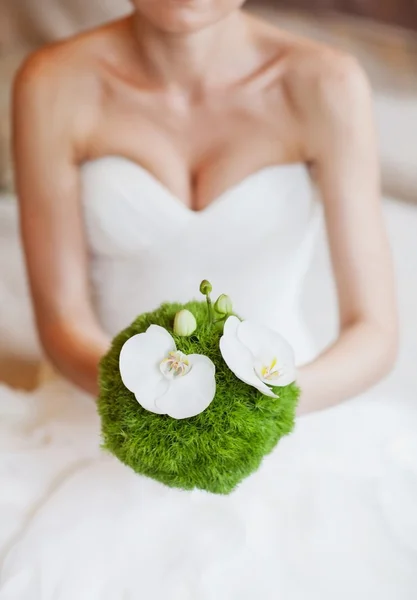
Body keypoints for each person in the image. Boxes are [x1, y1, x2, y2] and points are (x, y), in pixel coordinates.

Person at [0, 1, 415, 598]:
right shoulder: (52, 82)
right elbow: (62, 315)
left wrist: (260, 410)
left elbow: (373, 328)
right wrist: (144, 404)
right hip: (101, 404)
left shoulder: (326, 82)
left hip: (292, 409)